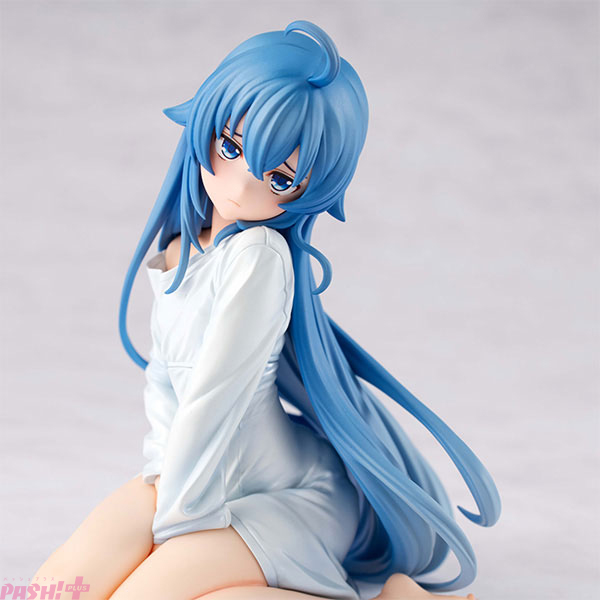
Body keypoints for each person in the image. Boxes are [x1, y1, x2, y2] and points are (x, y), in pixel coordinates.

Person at [32, 20, 500, 600]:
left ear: (309, 191)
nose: (241, 185)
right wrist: (156, 495)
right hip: (193, 475)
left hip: (292, 496)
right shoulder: (180, 251)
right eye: (230, 148)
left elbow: (217, 399)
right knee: (54, 590)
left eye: (279, 177)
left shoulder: (258, 257)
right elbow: (167, 389)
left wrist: (176, 531)